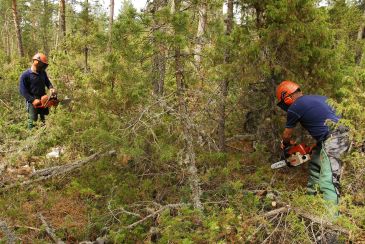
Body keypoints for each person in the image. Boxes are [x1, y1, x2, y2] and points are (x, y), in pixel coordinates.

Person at [276, 80, 350, 207]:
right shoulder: (320, 98)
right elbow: (328, 123)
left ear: (287, 99)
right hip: (342, 135)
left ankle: (331, 219)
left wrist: (286, 144)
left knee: (329, 180)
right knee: (316, 162)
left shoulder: (295, 107)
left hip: (334, 138)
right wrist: (315, 147)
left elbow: (287, 134)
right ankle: (311, 203)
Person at [19, 53, 56, 129]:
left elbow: (47, 82)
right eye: (42, 64)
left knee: (43, 118)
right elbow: (23, 90)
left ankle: (43, 133)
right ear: (36, 62)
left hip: (43, 98)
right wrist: (32, 100)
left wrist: (51, 88)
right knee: (32, 120)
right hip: (32, 100)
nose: (43, 66)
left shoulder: (43, 73)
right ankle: (31, 135)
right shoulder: (25, 75)